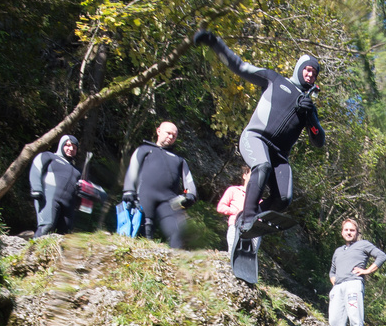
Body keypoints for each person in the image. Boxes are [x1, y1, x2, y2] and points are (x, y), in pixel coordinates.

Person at [192, 30, 324, 256]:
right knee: (261, 167)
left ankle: (247, 218)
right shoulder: (275, 80)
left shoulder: (308, 106)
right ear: (299, 69)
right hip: (256, 138)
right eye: (308, 70)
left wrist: (310, 115)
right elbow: (240, 67)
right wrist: (215, 42)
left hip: (280, 155)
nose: (310, 75)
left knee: (283, 198)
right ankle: (248, 218)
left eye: (314, 73)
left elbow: (319, 141)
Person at [122, 121, 197, 248]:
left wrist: (191, 194)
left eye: (174, 136)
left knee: (177, 230)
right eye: (168, 133)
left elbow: (188, 180)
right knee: (144, 231)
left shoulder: (179, 159)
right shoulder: (144, 150)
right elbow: (132, 170)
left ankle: (176, 261)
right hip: (145, 196)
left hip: (169, 200)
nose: (171, 137)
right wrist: (128, 190)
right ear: (158, 131)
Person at [327, 218, 386, 326]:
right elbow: (332, 271)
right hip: (338, 287)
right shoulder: (338, 251)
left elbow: (381, 256)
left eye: (352, 230)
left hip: (353, 284)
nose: (349, 233)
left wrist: (366, 271)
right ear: (342, 232)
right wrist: (335, 283)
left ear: (357, 232)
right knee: (334, 320)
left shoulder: (363, 244)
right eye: (346, 230)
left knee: (355, 316)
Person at [29, 134, 82, 236]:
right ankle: (32, 251)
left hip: (68, 205)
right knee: (47, 226)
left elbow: (80, 191)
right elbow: (36, 168)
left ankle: (54, 252)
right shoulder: (49, 156)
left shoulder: (77, 171)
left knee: (64, 234)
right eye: (67, 145)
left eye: (74, 147)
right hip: (48, 197)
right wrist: (36, 188)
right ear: (61, 145)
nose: (71, 149)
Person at [215, 167, 251, 257]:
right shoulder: (234, 190)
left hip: (251, 231)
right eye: (251, 174)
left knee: (246, 256)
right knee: (232, 253)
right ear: (244, 176)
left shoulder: (258, 198)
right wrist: (236, 212)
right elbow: (220, 207)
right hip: (235, 226)